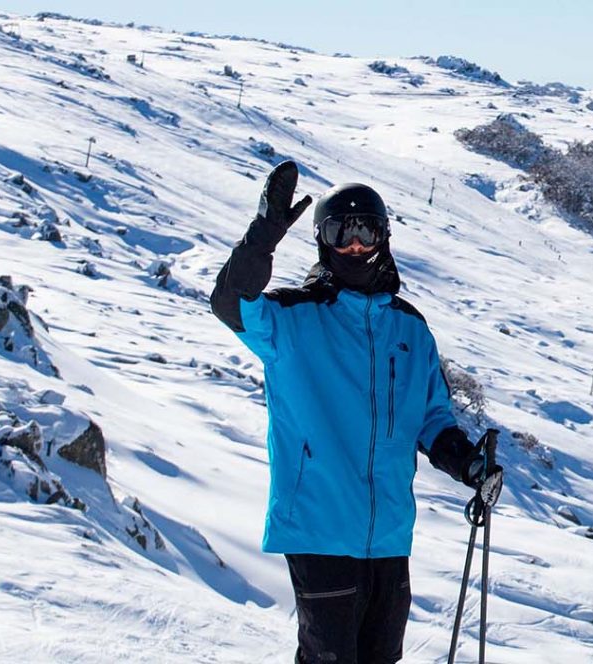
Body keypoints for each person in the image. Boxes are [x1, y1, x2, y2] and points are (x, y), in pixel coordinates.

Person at [212, 161, 503, 664]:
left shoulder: (410, 329)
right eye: (339, 231)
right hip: (319, 526)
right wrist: (262, 236)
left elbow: (433, 419)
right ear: (323, 241)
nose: (353, 245)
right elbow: (230, 303)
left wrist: (467, 463)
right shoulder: (291, 318)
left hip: (389, 533)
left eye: (364, 230)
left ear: (383, 238)